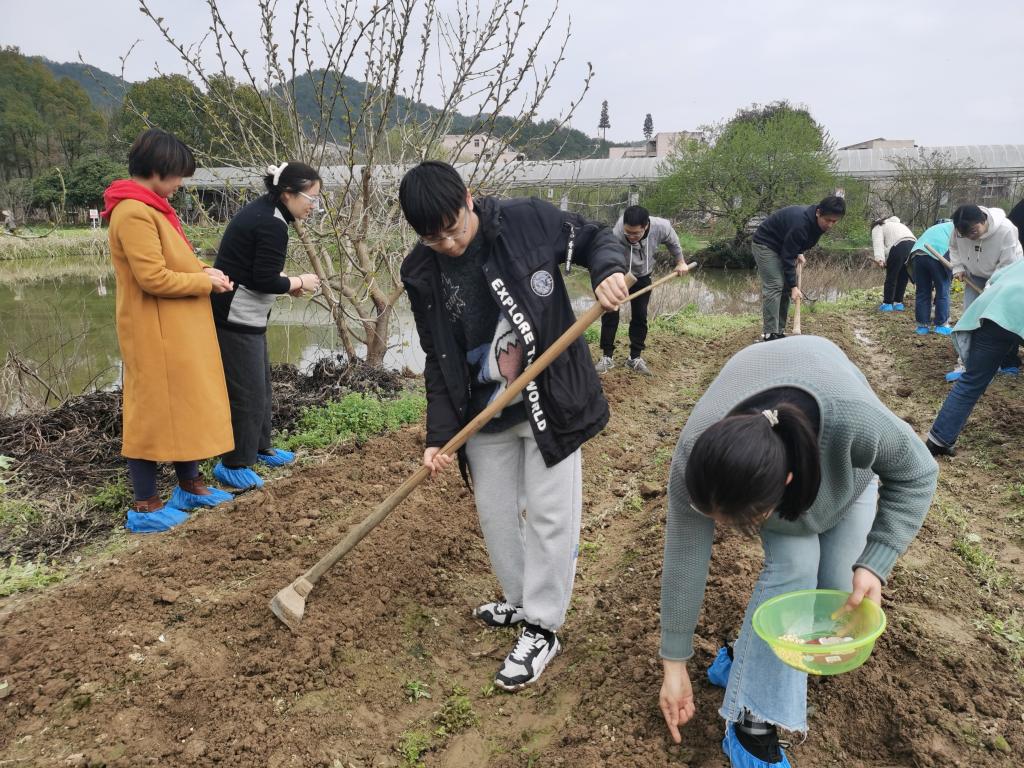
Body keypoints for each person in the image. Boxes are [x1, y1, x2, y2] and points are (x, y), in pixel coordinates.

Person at [398, 161, 629, 692]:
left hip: (552, 400)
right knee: (496, 516)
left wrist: (607, 272)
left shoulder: (525, 221)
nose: (449, 244)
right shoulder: (420, 270)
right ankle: (522, 601)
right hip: (483, 411)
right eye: (433, 239)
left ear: (469, 199)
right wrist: (438, 436)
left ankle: (543, 627)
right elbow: (438, 357)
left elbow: (596, 238)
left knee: (550, 515)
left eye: (454, 229)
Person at [658, 335, 938, 768]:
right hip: (764, 464)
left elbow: (918, 471)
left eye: (740, 520)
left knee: (837, 595)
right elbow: (685, 552)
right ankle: (752, 720)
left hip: (847, 476)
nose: (723, 530)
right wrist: (674, 662)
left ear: (783, 484)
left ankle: (742, 657)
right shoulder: (701, 454)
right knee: (794, 569)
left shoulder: (854, 420)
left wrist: (875, 562)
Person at [102, 128, 236, 533]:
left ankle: (190, 486)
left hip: (176, 331)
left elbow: (176, 261)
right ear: (158, 169)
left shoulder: (154, 208)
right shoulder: (132, 212)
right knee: (150, 413)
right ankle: (146, 505)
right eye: (178, 175)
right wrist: (203, 282)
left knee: (185, 404)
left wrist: (204, 270)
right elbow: (153, 278)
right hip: (153, 332)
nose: (180, 184)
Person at [210, 162, 323, 490]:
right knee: (246, 392)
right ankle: (234, 464)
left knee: (260, 385)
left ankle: (260, 448)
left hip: (248, 316)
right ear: (288, 193)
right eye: (311, 198)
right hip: (235, 316)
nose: (313, 206)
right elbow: (263, 279)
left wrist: (286, 282)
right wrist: (298, 281)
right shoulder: (272, 223)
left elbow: (258, 270)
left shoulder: (268, 213)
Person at [926, 259, 1024, 457]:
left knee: (972, 379)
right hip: (1009, 313)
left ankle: (938, 441)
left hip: (993, 313)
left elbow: (994, 279)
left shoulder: (1018, 265)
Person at [594, 205, 689, 376]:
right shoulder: (618, 232)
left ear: (646, 226)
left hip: (643, 275)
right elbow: (608, 253)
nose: (631, 237)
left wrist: (680, 262)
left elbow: (673, 243)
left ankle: (634, 358)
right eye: (628, 233)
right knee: (610, 313)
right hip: (620, 274)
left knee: (640, 315)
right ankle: (607, 356)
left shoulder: (662, 227)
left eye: (635, 233)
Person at [750, 196, 846, 341]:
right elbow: (788, 256)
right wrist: (794, 287)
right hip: (765, 244)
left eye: (834, 221)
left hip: (783, 245)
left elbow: (798, 241)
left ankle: (779, 331)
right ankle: (770, 334)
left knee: (786, 289)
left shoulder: (817, 223)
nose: (830, 225)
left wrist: (799, 251)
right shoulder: (801, 223)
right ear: (818, 213)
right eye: (828, 220)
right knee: (775, 285)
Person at [943, 205, 1022, 381]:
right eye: (964, 234)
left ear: (983, 220)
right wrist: (958, 267)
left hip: (1006, 277)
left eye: (973, 231)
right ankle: (965, 363)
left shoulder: (1006, 230)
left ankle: (1001, 362)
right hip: (975, 276)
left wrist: (990, 290)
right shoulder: (959, 231)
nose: (970, 237)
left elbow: (1007, 265)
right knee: (970, 317)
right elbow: (953, 247)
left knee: (1000, 320)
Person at [910, 219, 954, 335]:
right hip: (937, 253)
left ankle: (922, 326)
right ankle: (941, 325)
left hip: (918, 252)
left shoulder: (939, 227)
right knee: (943, 289)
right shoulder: (961, 227)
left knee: (922, 291)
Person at [870, 215, 916, 311]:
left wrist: (880, 259)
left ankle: (887, 304)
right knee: (903, 276)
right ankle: (898, 303)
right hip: (914, 246)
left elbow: (878, 243)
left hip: (898, 246)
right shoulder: (899, 225)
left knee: (892, 276)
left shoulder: (878, 226)